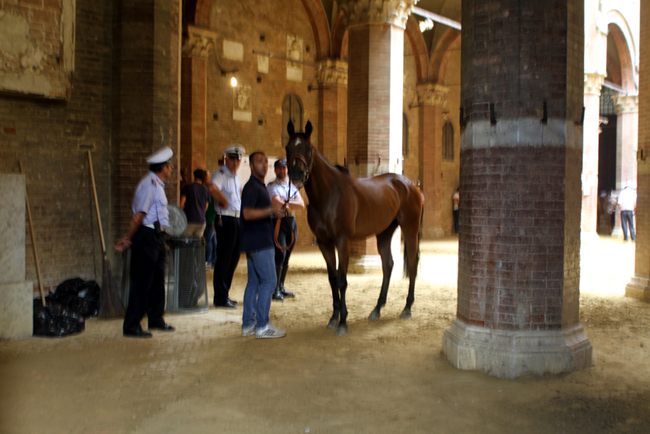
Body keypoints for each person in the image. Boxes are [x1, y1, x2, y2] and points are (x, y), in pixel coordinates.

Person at [115, 146, 176, 338]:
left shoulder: (157, 184)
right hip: (146, 236)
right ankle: (132, 325)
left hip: (156, 237)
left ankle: (156, 319)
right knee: (142, 283)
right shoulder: (149, 185)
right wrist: (128, 239)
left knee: (158, 281)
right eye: (170, 166)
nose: (171, 169)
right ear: (164, 168)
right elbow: (138, 216)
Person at [240, 151, 286, 339]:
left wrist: (274, 213)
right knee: (269, 281)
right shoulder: (252, 187)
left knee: (254, 283)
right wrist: (270, 211)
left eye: (266, 162)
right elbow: (247, 214)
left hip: (255, 242)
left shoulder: (259, 186)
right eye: (260, 162)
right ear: (251, 166)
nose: (264, 165)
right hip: (259, 243)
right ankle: (262, 325)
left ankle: (248, 324)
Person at [209, 145, 245, 308]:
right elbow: (211, 187)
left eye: (237, 159)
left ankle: (225, 293)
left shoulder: (236, 176)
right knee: (224, 258)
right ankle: (220, 297)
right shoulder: (221, 174)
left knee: (234, 257)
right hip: (225, 219)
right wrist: (223, 201)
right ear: (226, 159)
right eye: (232, 158)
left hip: (236, 220)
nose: (235, 162)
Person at [266, 157, 305, 301]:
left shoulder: (292, 186)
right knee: (280, 254)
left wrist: (287, 204)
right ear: (275, 170)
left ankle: (281, 286)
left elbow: (301, 205)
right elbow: (276, 202)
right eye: (279, 168)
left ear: (287, 169)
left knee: (287, 254)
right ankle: (274, 289)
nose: (282, 170)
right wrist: (289, 203)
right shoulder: (271, 186)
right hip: (278, 221)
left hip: (291, 221)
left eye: (284, 168)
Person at [180, 168, 210, 238]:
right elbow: (206, 208)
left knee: (185, 242)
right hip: (202, 221)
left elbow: (181, 204)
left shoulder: (188, 187)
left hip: (190, 220)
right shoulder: (206, 190)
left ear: (194, 176)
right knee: (197, 245)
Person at [204, 191, 217, 269]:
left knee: (208, 239)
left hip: (210, 220)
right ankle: (214, 259)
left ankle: (208, 260)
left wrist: (213, 221)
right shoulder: (212, 196)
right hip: (211, 220)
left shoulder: (211, 196)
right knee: (212, 240)